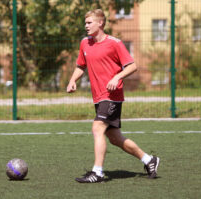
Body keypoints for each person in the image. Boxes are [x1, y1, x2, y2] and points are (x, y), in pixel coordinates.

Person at [66, 9, 160, 183]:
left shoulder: (114, 43)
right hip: (98, 96)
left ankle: (98, 172)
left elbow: (132, 66)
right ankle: (149, 160)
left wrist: (117, 77)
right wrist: (72, 80)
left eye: (89, 22)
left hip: (112, 96)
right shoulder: (85, 43)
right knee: (115, 138)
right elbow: (80, 66)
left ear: (100, 23)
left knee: (97, 128)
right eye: (85, 23)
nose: (85, 26)